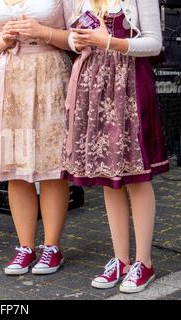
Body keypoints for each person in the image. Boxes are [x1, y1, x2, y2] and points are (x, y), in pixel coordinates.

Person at [63, 0, 169, 293]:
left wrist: (108, 41)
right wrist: (77, 39)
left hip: (130, 84)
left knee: (136, 177)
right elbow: (72, 39)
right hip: (94, 85)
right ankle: (121, 259)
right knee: (110, 178)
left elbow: (154, 43)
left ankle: (144, 262)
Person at [0, 0, 74, 276]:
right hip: (7, 80)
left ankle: (52, 246)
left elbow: (76, 38)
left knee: (51, 166)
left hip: (49, 75)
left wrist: (43, 32)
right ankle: (25, 247)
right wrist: (2, 39)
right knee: (15, 167)